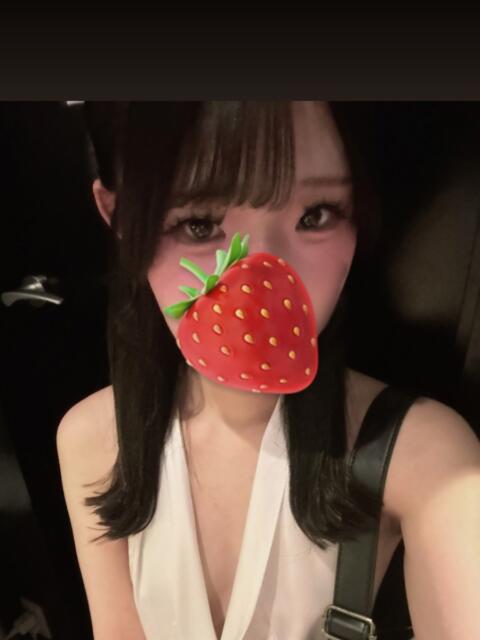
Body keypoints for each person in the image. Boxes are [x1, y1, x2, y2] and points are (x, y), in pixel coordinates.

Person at [56, 101, 480, 640]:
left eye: (316, 215)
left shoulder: (427, 457)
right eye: (199, 224)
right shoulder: (92, 440)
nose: (261, 278)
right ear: (119, 219)